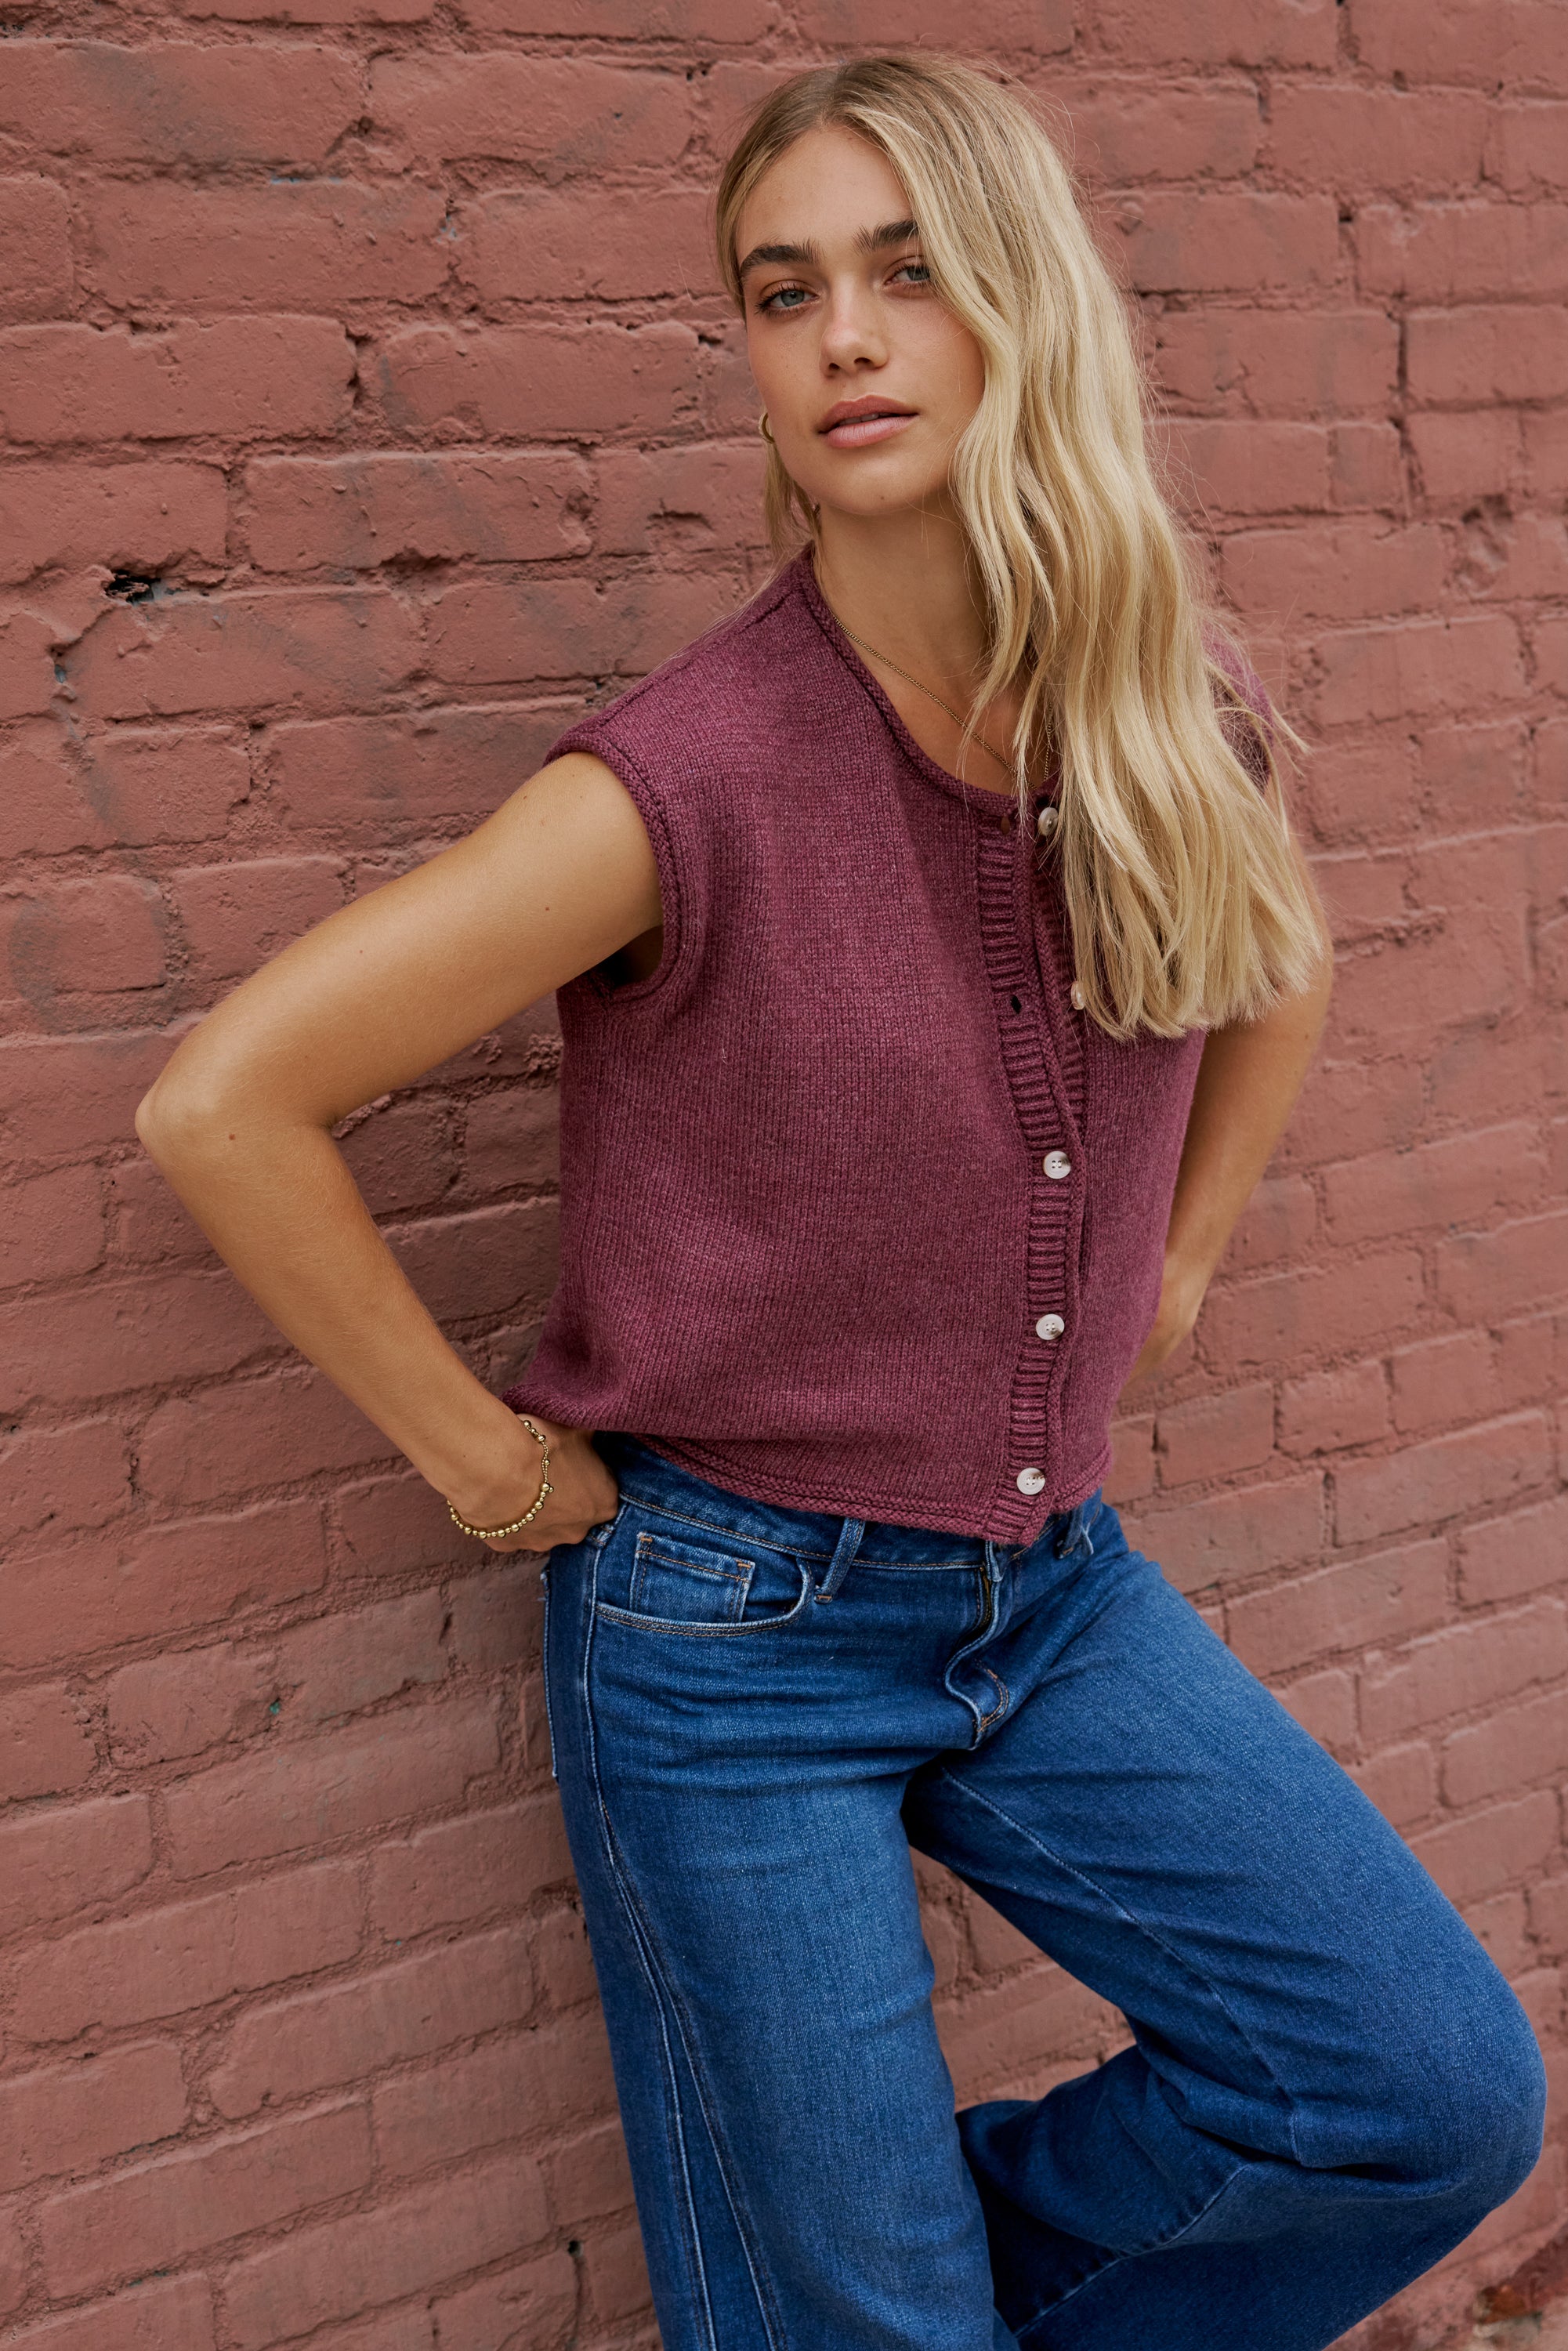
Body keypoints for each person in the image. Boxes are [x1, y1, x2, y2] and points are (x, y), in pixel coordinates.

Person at [136, 52, 1544, 2351]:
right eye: (783, 293)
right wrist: (489, 1467)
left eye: (907, 272)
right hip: (732, 1640)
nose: (845, 341)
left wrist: (1177, 1256)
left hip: (1052, 1596)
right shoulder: (683, 780)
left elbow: (1276, 967)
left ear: (1027, 302)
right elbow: (230, 1104)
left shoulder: (1159, 711)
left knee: (1417, 2096)